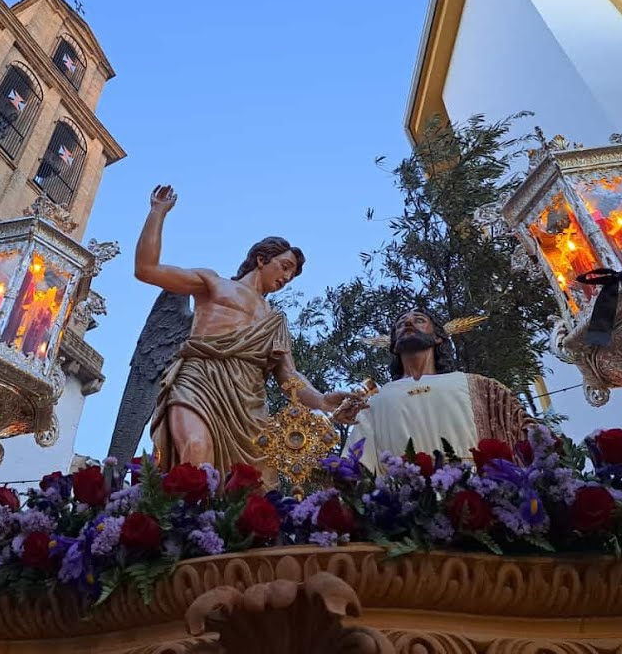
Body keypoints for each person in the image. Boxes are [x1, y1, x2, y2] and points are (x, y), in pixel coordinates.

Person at [135, 184, 352, 478]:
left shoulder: (275, 320)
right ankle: (188, 522)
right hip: (200, 379)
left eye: (293, 274)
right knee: (196, 452)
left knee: (250, 483)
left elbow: (288, 376)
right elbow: (147, 269)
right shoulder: (213, 284)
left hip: (248, 402)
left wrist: (323, 400)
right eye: (284, 266)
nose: (287, 277)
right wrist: (157, 213)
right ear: (262, 259)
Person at [334, 308, 531, 470]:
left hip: (477, 501)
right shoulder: (376, 402)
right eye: (401, 323)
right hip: (407, 507)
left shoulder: (481, 387)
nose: (408, 323)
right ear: (393, 346)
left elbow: (525, 433)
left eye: (419, 320)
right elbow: (356, 467)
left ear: (438, 338)